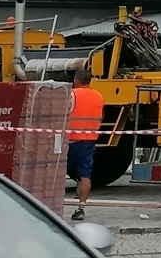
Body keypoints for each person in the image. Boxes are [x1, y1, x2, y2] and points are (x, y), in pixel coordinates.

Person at [66, 67, 105, 221]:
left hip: (70, 140)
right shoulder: (98, 96)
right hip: (89, 141)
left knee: (58, 174)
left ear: (76, 80)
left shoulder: (72, 94)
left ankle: (54, 206)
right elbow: (101, 116)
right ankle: (81, 208)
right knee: (85, 174)